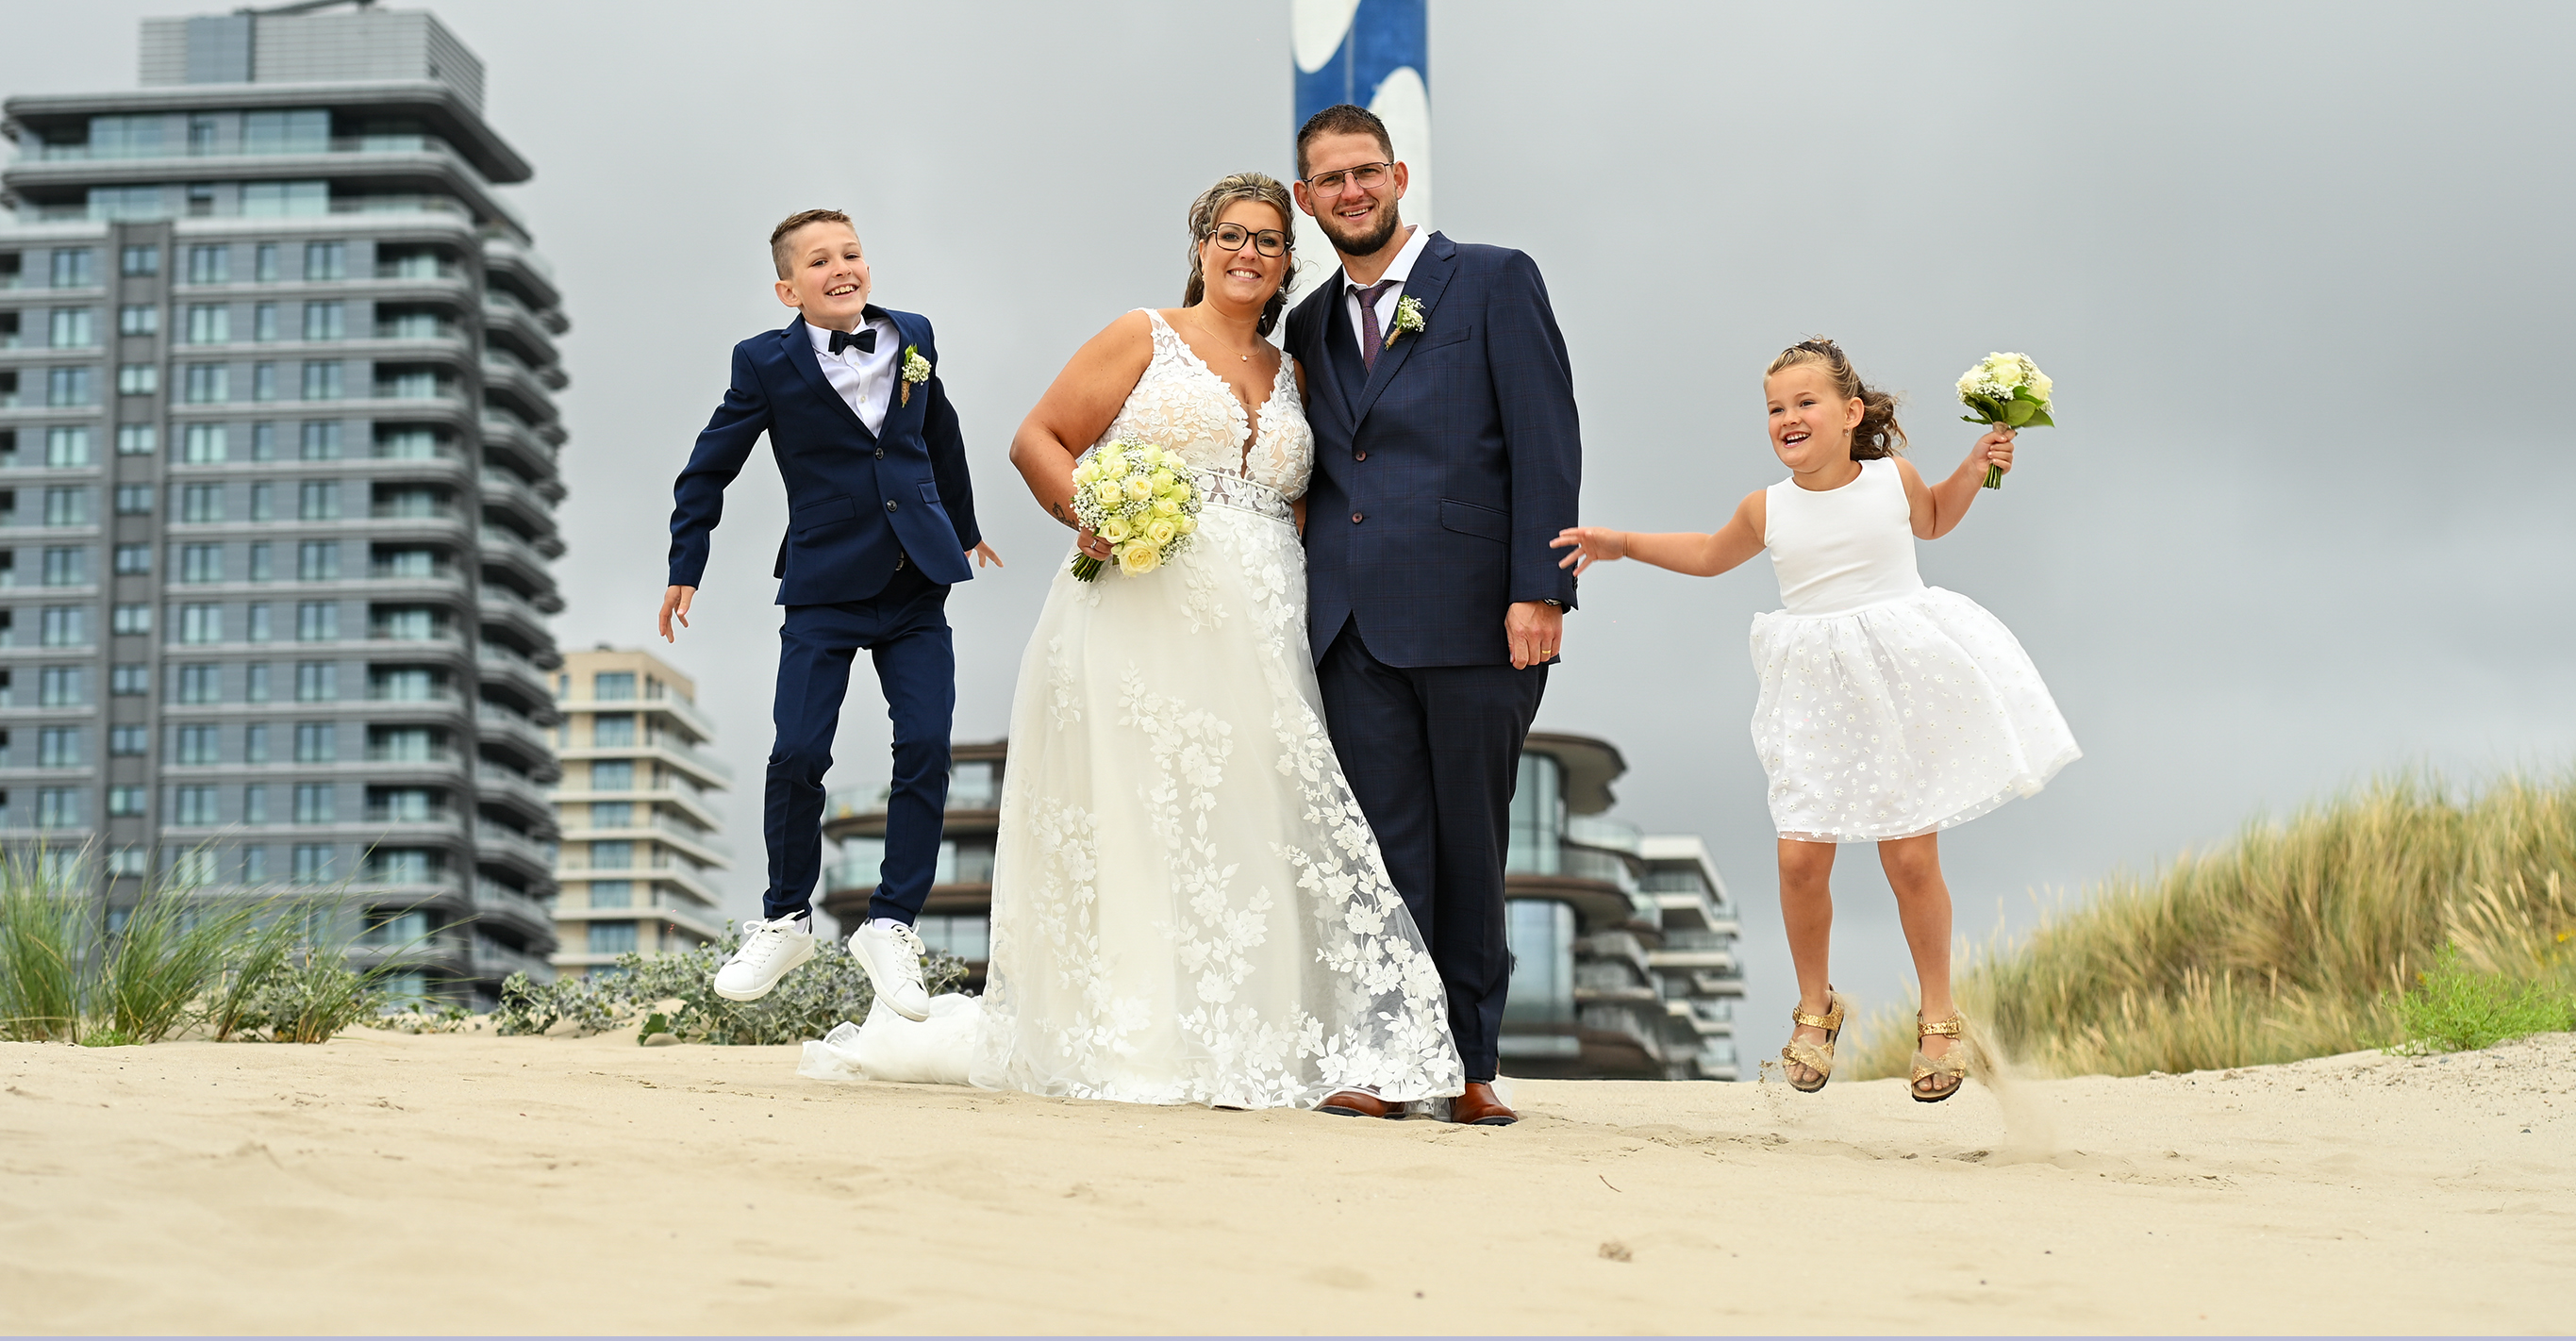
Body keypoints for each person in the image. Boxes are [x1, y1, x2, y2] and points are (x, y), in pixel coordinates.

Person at [800, 173, 1465, 1113]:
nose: (1248, 252)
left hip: (1266, 620)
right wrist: (1093, 513)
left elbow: (1310, 503)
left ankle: (1255, 1038)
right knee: (1145, 816)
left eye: (1268, 240)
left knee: (1254, 823)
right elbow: (1038, 438)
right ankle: (1144, 1039)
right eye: (1231, 234)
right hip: (1141, 609)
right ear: (1201, 246)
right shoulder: (1143, 334)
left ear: (1287, 261)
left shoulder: (1298, 374)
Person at [1550, 337, 2081, 1103]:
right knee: (1800, 859)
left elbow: (1935, 520)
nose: (1788, 418)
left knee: (1910, 860)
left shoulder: (1893, 480)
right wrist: (1621, 543)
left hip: (1897, 682)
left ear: (1851, 412)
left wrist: (1976, 466)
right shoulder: (1767, 508)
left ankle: (1938, 1015)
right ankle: (1815, 1007)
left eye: (1805, 402)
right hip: (1815, 693)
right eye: (1775, 408)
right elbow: (1708, 553)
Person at [1278, 105, 1583, 1129]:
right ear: (1306, 197)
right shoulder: (1308, 324)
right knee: (1378, 853)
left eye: (1366, 171)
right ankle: (1385, 1057)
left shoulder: (1494, 279)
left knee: (1470, 847)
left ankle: (1471, 1066)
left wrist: (1541, 588)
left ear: (1399, 175)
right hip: (1351, 626)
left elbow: (1546, 439)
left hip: (1479, 617)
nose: (1352, 191)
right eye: (1331, 179)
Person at [658, 207, 1000, 1021]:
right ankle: (786, 917)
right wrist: (686, 563)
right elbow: (709, 465)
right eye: (818, 261)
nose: (841, 267)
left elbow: (941, 430)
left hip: (916, 581)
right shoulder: (763, 362)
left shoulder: (914, 334)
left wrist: (965, 525)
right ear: (789, 289)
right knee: (799, 751)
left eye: (851, 253)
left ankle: (891, 922)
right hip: (823, 586)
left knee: (926, 746)